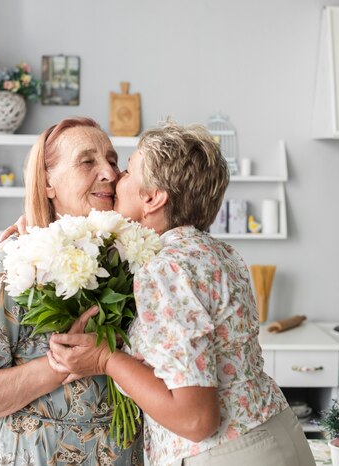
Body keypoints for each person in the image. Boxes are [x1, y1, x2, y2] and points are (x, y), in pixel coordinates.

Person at [48, 121, 316, 466]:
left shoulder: (166, 268)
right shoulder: (216, 252)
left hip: (225, 454)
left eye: (128, 170)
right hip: (276, 434)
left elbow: (196, 420)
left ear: (153, 198)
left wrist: (105, 359)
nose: (116, 178)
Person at [0, 117, 143, 465]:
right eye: (87, 161)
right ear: (48, 182)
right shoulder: (12, 264)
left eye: (112, 160)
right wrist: (60, 365)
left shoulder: (132, 259)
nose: (110, 174)